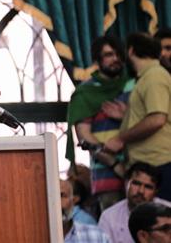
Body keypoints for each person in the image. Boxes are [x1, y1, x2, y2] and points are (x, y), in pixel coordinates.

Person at [68, 36, 134, 211]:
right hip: (107, 177)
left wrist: (126, 116)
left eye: (118, 54)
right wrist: (114, 163)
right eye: (109, 54)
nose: (115, 59)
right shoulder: (86, 93)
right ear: (97, 60)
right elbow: (85, 138)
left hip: (140, 171)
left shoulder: (133, 85)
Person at [105, 32, 171, 201]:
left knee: (160, 222)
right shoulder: (148, 77)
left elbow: (157, 118)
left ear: (131, 51)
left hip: (160, 164)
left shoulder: (154, 76)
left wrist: (120, 138)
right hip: (152, 164)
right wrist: (126, 116)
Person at [99, 162, 171, 243]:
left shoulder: (168, 211)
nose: (141, 191)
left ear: (156, 192)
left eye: (148, 187)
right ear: (126, 183)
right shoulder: (109, 217)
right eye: (136, 183)